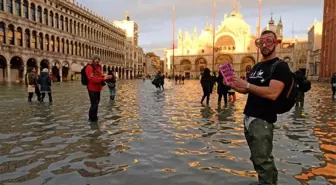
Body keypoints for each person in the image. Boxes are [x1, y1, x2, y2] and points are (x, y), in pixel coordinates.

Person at [230, 30, 293, 185]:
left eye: (269, 40)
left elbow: (273, 93)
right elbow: (247, 90)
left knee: (262, 160)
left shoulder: (280, 67)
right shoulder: (257, 66)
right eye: (261, 41)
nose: (264, 44)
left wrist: (248, 84)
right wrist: (234, 85)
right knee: (260, 157)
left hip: (262, 120)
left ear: (276, 43)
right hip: (249, 118)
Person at [86, 55, 112, 122]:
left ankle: (95, 117)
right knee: (94, 104)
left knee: (96, 104)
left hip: (98, 89)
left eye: (98, 59)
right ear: (93, 60)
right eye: (96, 59)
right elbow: (91, 79)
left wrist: (106, 76)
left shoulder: (98, 67)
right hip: (92, 89)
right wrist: (103, 78)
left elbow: (99, 75)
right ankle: (92, 119)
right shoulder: (89, 67)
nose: (97, 60)